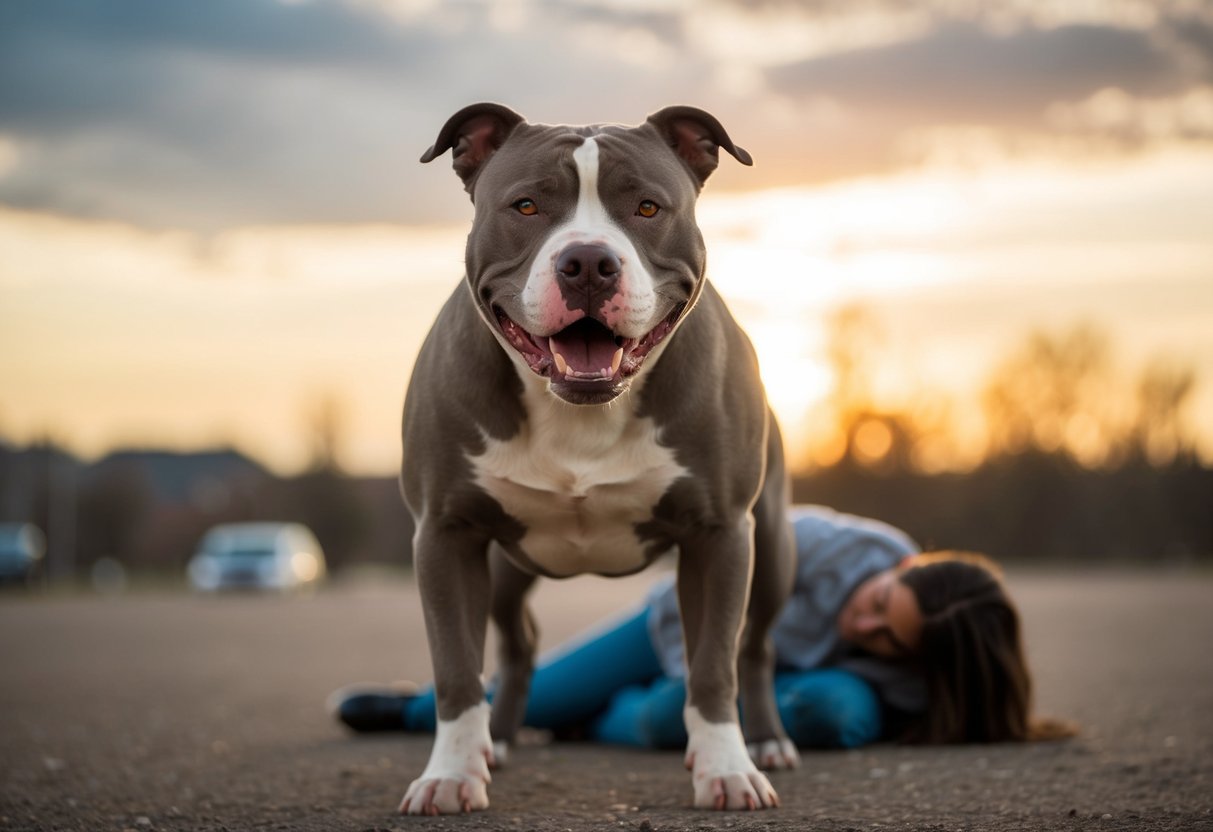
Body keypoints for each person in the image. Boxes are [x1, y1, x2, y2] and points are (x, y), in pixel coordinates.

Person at [332, 505, 1073, 750]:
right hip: (679, 631)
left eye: (885, 638)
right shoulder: (828, 545)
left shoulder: (916, 675)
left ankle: (613, 722)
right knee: (527, 702)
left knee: (820, 710)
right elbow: (709, 568)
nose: (863, 620)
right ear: (903, 566)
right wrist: (703, 682)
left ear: (916, 662)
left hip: (774, 688)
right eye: (881, 599)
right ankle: (413, 709)